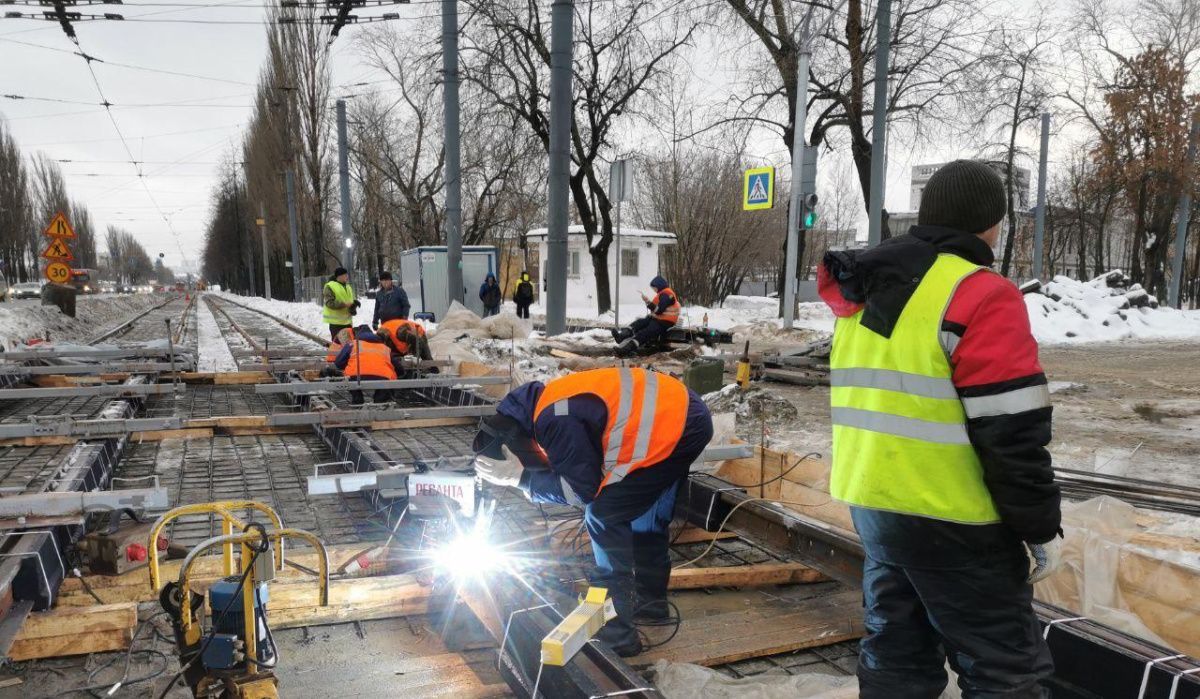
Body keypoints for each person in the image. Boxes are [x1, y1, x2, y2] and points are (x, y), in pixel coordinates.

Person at [818, 159, 1062, 698]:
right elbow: (1012, 431)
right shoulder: (981, 293)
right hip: (956, 520)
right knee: (1004, 671)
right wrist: (1040, 525)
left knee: (896, 658)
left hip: (876, 509)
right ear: (992, 222)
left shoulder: (867, 291)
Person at [472, 368, 713, 657]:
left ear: (517, 446)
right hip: (685, 416)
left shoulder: (553, 419)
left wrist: (521, 479)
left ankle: (618, 635)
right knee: (641, 512)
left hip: (673, 426)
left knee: (604, 514)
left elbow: (583, 491)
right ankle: (651, 605)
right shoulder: (551, 401)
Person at [612, 276, 679, 355]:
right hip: (658, 319)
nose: (654, 290)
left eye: (654, 288)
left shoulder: (667, 294)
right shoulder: (662, 294)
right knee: (639, 323)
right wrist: (647, 301)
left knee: (645, 333)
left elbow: (659, 310)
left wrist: (648, 302)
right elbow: (656, 308)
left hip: (665, 322)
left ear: (659, 285)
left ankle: (626, 350)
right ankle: (621, 337)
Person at [333, 323, 397, 405]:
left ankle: (357, 399)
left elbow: (339, 363)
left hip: (356, 376)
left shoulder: (352, 344)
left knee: (350, 379)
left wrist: (350, 363)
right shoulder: (385, 347)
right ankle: (380, 401)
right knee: (387, 382)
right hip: (383, 377)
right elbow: (397, 366)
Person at [323, 267, 359, 341]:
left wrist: (354, 305)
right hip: (336, 324)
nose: (347, 276)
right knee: (338, 346)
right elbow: (329, 303)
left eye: (347, 275)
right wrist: (345, 304)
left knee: (349, 346)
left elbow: (349, 301)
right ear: (339, 276)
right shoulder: (330, 286)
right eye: (345, 275)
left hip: (348, 322)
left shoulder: (348, 287)